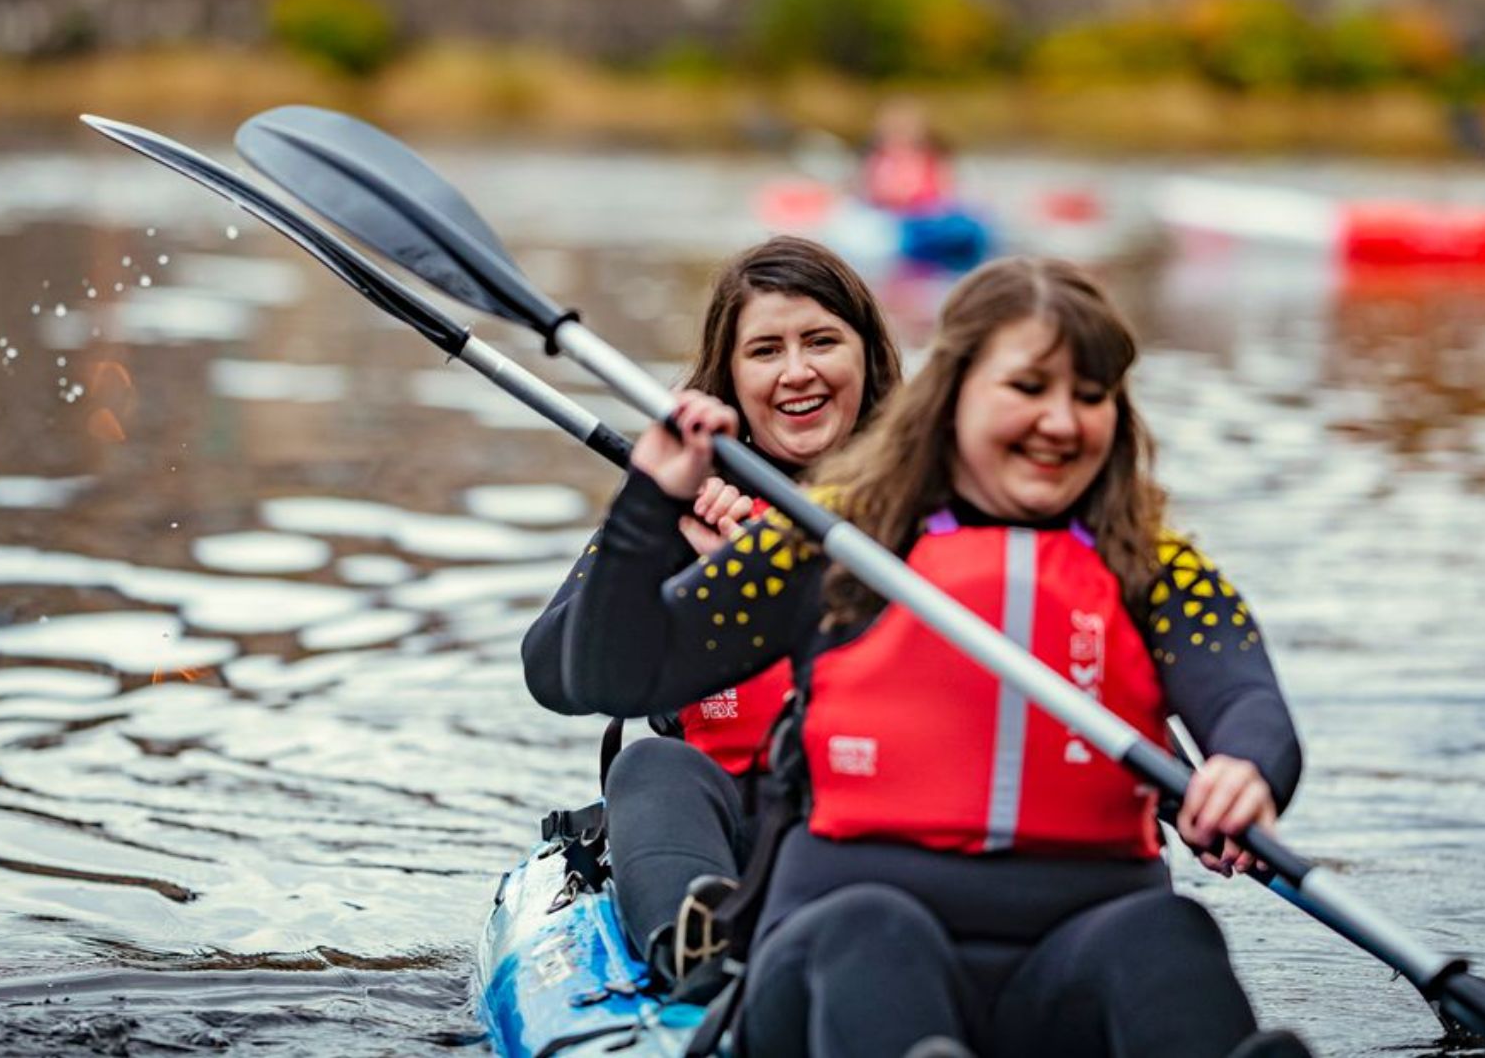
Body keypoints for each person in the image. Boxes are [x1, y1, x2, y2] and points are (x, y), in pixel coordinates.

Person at [564, 257, 1308, 1058]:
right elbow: (609, 674)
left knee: (1167, 934)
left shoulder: (1151, 564)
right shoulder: (834, 540)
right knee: (874, 933)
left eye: (1089, 396)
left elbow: (1246, 697)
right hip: (841, 957)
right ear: (952, 396)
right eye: (1028, 389)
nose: (1062, 420)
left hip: (1068, 960)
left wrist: (1245, 767)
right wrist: (648, 506)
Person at [521, 234, 902, 978]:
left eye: (822, 340)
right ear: (730, 375)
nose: (798, 372)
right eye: (765, 350)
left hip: (883, 822)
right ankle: (694, 951)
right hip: (723, 836)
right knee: (651, 764)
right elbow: (551, 671)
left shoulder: (932, 502)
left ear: (867, 358)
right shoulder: (678, 498)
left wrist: (772, 568)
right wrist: (659, 541)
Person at [861, 97, 955, 215]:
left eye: (902, 130)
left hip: (923, 215)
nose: (898, 136)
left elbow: (944, 191)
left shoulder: (928, 159)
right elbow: (870, 190)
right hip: (887, 214)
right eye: (894, 130)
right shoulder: (878, 159)